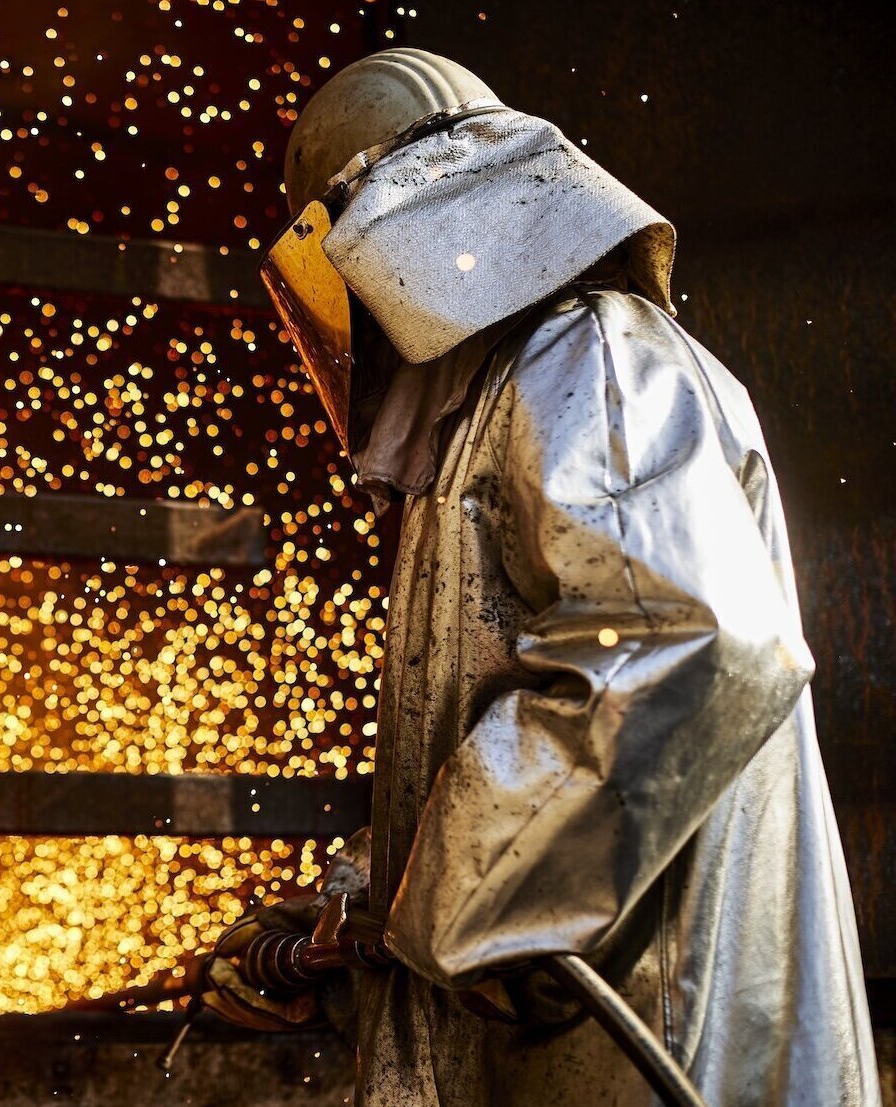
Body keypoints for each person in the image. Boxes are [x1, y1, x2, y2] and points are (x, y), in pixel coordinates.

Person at [201, 48, 879, 1106]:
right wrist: (372, 897)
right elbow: (510, 729)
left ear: (379, 237)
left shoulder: (592, 360)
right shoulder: (493, 410)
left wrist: (439, 905)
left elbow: (674, 642)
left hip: (651, 1028)